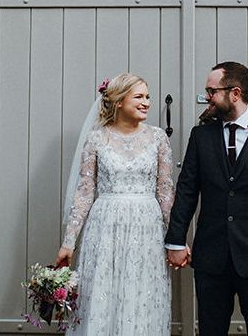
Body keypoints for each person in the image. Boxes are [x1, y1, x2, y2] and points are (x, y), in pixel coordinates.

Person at [165, 61, 248, 336]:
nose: (207, 98)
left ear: (235, 93)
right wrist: (176, 239)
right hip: (210, 255)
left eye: (211, 91)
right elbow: (187, 190)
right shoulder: (200, 136)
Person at [56, 73, 174, 335]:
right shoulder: (97, 139)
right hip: (105, 228)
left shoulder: (157, 139)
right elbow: (85, 192)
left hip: (147, 230)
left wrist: (174, 237)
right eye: (139, 97)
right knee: (103, 293)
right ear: (119, 101)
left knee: (140, 294)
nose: (147, 102)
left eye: (148, 97)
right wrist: (68, 242)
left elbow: (165, 191)